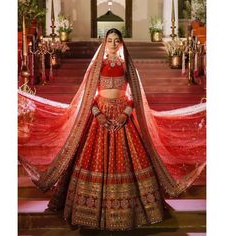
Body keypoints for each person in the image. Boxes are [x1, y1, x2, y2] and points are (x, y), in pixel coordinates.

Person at [18, 28, 206, 231]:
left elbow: (134, 94)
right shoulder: (97, 65)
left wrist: (126, 113)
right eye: (110, 40)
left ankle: (136, 211)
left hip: (123, 116)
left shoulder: (127, 65)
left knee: (130, 159)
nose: (114, 44)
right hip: (99, 117)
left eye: (117, 40)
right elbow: (89, 94)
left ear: (122, 43)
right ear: (105, 42)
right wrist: (98, 114)